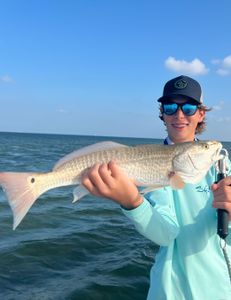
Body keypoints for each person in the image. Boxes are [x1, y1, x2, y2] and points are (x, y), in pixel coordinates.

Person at [82, 75, 231, 299]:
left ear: (201, 114)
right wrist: (132, 202)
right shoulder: (156, 169)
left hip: (220, 290)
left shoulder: (221, 166)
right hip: (167, 292)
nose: (179, 115)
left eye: (189, 107)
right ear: (162, 113)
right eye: (170, 106)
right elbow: (165, 234)